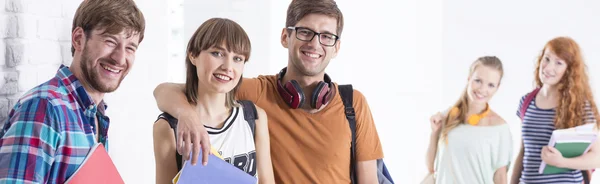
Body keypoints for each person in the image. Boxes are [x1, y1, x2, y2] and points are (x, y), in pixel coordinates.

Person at [153, 0, 384, 183]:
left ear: (337, 47)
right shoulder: (254, 94)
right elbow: (166, 91)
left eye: (326, 36)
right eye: (305, 32)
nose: (315, 44)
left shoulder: (353, 104)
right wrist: (187, 115)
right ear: (285, 36)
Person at [0, 0, 145, 183]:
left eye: (130, 48)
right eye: (110, 41)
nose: (120, 58)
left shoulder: (94, 114)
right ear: (78, 39)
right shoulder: (45, 108)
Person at [152, 17, 275, 184]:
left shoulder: (254, 117)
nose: (228, 66)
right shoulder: (169, 127)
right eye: (217, 53)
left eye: (237, 58)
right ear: (193, 55)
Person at [510, 36, 600, 184]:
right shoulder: (527, 101)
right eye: (547, 59)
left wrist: (562, 162)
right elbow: (524, 152)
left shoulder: (580, 106)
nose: (548, 68)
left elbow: (597, 157)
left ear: (569, 70)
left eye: (559, 63)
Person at [426, 56, 512, 183]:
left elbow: (500, 176)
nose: (482, 89)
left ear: (497, 88)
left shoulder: (500, 128)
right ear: (469, 78)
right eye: (478, 81)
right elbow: (431, 167)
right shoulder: (447, 116)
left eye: (490, 85)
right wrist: (434, 133)